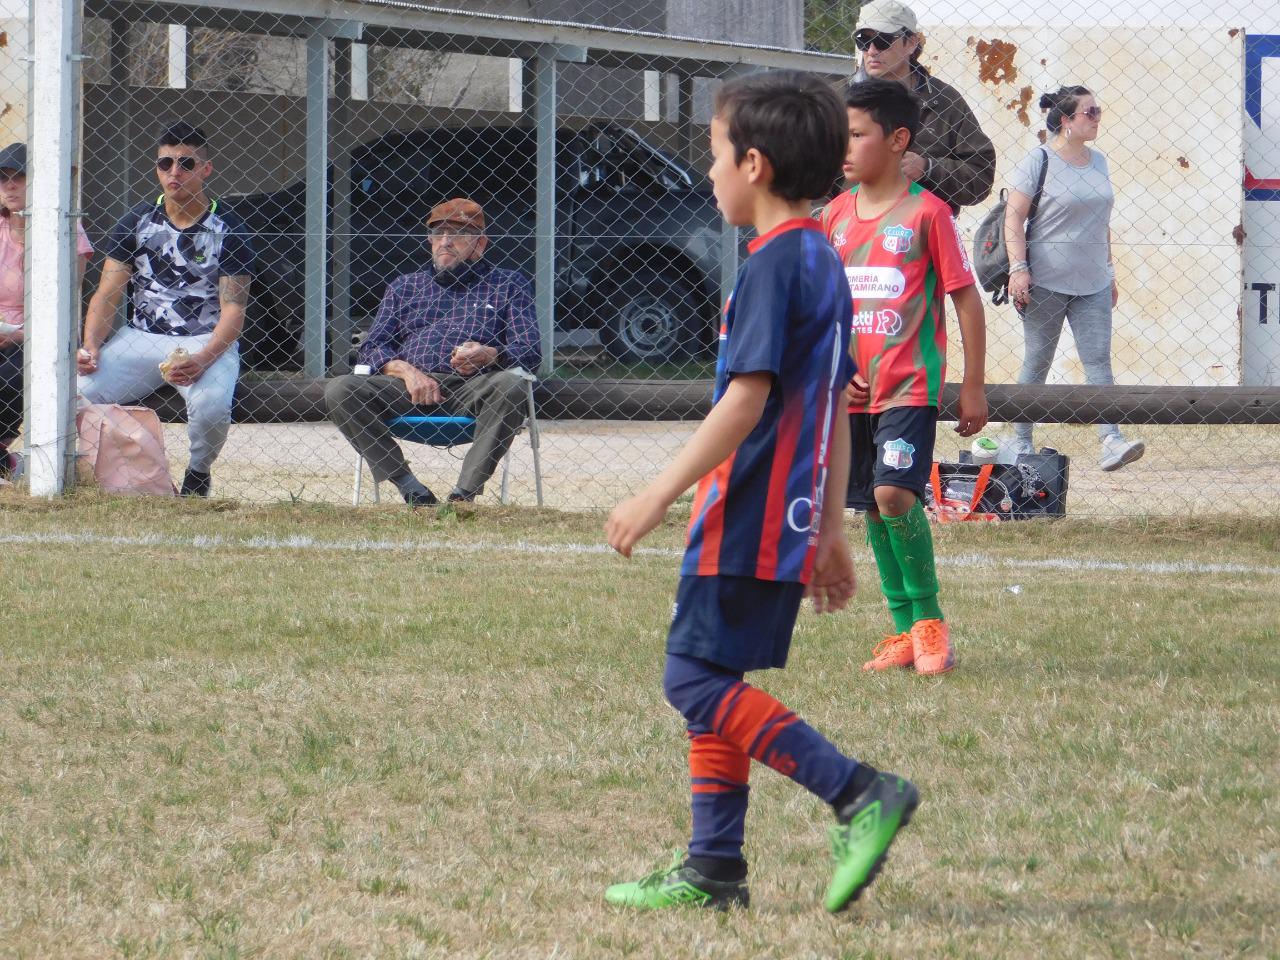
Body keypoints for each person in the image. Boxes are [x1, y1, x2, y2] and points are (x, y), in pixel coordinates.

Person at [602, 70, 917, 914]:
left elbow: (746, 399)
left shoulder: (775, 264)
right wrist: (832, 530)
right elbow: (835, 408)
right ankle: (714, 868)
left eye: (712, 155)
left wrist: (656, 494)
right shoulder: (822, 257)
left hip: (743, 512)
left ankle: (857, 792)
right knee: (712, 674)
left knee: (692, 682)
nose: (707, 174)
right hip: (786, 513)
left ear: (754, 164)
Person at [821, 79, 988, 675]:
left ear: (897, 141)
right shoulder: (833, 218)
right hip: (851, 395)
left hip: (910, 388)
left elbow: (966, 300)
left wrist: (972, 384)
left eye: (857, 135)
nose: (844, 147)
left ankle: (929, 621)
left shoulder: (928, 212)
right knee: (871, 504)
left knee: (895, 494)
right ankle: (900, 631)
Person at [78, 121, 255, 497]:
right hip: (142, 335)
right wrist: (91, 345)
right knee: (76, 391)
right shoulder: (137, 221)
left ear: (205, 169)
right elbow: (107, 294)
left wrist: (204, 359)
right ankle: (126, 472)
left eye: (186, 163)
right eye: (165, 163)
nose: (175, 172)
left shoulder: (228, 228)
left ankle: (197, 475)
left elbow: (234, 310)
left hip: (204, 339)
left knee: (210, 407)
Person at [326, 198, 541, 506]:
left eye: (458, 235)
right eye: (438, 233)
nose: (445, 242)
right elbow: (371, 348)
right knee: (340, 388)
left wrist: (490, 354)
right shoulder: (404, 287)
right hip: (406, 390)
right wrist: (406, 372)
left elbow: (530, 350)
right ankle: (411, 488)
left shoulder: (508, 283)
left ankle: (462, 496)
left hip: (473, 389)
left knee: (512, 386)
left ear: (480, 244)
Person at [1004, 86, 1145, 471]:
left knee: (1098, 362)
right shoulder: (1039, 159)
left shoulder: (1099, 162)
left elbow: (1103, 223)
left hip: (1094, 281)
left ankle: (1111, 440)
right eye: (1090, 112)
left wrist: (1111, 271)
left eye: (1099, 110)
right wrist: (1019, 269)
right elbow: (1013, 216)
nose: (1098, 117)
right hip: (1045, 280)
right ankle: (1019, 441)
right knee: (1038, 362)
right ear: (1066, 120)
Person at [0, 143, 95, 480]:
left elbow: (68, 302)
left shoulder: (66, 229)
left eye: (19, 177)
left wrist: (18, 333)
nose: (10, 186)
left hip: (40, 335)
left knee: (11, 376)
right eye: (3, 178)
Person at [849, 0, 995, 215]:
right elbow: (806, 166)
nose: (871, 51)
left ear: (911, 43)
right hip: (851, 234)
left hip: (923, 236)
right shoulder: (839, 100)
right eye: (863, 41)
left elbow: (980, 178)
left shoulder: (946, 101)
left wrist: (928, 168)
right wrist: (823, 216)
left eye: (883, 40)